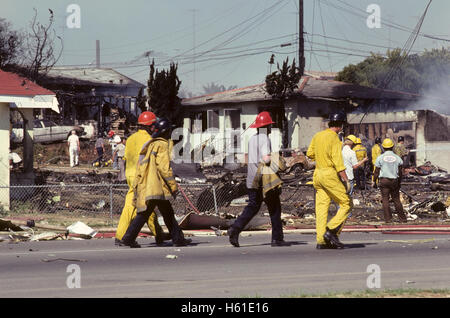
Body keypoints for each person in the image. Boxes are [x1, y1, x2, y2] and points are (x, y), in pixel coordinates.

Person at [119, 117, 191, 248]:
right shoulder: (162, 144)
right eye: (169, 130)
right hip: (157, 186)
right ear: (166, 131)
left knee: (162, 213)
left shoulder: (151, 144)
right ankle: (128, 238)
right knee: (148, 214)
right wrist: (173, 186)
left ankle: (178, 238)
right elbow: (164, 168)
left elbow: (141, 165)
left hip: (148, 185)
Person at [227, 111, 289, 248]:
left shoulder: (253, 139)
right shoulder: (264, 139)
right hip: (264, 180)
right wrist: (277, 159)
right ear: (267, 126)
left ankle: (235, 229)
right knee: (275, 208)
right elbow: (266, 158)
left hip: (251, 179)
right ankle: (277, 239)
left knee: (253, 207)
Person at [115, 111, 169, 246]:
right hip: (141, 175)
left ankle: (158, 233)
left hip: (130, 173)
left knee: (147, 204)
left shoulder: (131, 138)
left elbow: (126, 159)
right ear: (150, 126)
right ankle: (121, 236)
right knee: (131, 205)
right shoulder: (150, 140)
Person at [307, 111, 352, 249]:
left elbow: (310, 154)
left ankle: (321, 241)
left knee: (321, 208)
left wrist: (321, 158)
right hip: (329, 174)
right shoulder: (335, 139)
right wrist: (346, 180)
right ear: (340, 125)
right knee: (346, 203)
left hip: (318, 175)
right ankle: (331, 231)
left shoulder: (318, 135)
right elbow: (338, 162)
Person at [373, 138, 407, 223]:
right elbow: (400, 172)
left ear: (383, 148)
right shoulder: (397, 158)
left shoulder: (380, 158)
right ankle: (402, 219)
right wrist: (399, 182)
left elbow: (376, 171)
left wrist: (374, 181)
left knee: (385, 199)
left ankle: (388, 219)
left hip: (384, 181)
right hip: (394, 181)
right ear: (392, 147)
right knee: (396, 199)